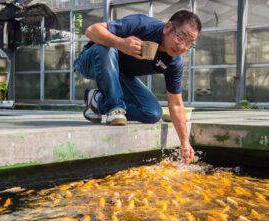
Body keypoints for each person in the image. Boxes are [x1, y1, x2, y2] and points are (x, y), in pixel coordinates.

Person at [74, 10, 201, 164]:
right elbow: (92, 30)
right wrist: (120, 43)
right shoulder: (143, 25)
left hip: (120, 73)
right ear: (168, 27)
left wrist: (185, 142)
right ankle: (113, 107)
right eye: (180, 37)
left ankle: (98, 101)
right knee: (106, 48)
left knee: (152, 113)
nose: (182, 46)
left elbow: (176, 104)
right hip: (90, 60)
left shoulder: (173, 62)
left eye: (189, 43)